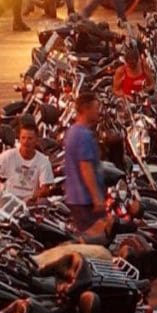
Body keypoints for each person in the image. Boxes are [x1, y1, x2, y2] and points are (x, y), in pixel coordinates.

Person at [61, 93, 106, 235]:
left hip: (76, 198)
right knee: (96, 240)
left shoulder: (72, 131)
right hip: (85, 201)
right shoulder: (83, 135)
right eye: (96, 108)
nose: (99, 112)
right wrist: (96, 198)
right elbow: (86, 168)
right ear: (87, 109)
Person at [0, 125, 57, 205]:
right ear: (19, 139)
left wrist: (32, 199)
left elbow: (45, 189)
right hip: (6, 204)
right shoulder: (8, 156)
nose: (25, 142)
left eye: (30, 138)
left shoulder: (43, 162)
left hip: (29, 207)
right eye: (23, 138)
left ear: (36, 140)